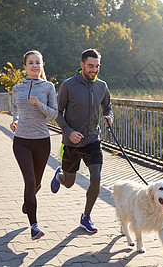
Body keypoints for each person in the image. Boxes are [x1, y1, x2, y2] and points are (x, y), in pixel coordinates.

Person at [51, 48, 113, 233]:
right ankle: (59, 175)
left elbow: (108, 106)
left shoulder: (102, 86)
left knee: (96, 179)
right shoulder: (68, 86)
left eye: (97, 66)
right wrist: (69, 132)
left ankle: (86, 217)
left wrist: (109, 116)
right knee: (69, 183)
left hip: (93, 140)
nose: (94, 70)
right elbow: (57, 113)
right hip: (72, 143)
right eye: (90, 66)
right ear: (82, 65)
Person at [10, 50, 58, 240]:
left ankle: (27, 201)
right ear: (25, 67)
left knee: (36, 184)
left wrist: (39, 105)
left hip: (42, 142)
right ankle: (34, 226)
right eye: (31, 63)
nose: (34, 66)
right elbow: (14, 106)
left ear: (42, 65)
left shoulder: (48, 87)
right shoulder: (17, 88)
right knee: (30, 181)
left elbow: (54, 114)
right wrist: (15, 120)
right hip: (21, 141)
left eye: (38, 63)